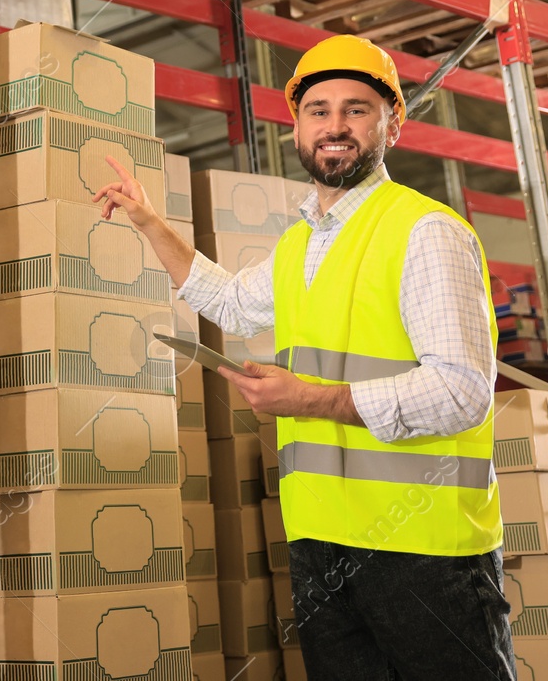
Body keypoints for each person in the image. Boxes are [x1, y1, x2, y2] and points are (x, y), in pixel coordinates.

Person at [94, 34, 514, 681]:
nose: (335, 126)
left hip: (425, 553)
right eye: (318, 110)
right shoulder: (298, 247)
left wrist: (308, 399)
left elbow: (462, 391)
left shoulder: (425, 231)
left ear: (392, 123)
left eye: (357, 109)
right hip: (323, 546)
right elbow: (229, 302)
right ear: (296, 126)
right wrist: (149, 220)